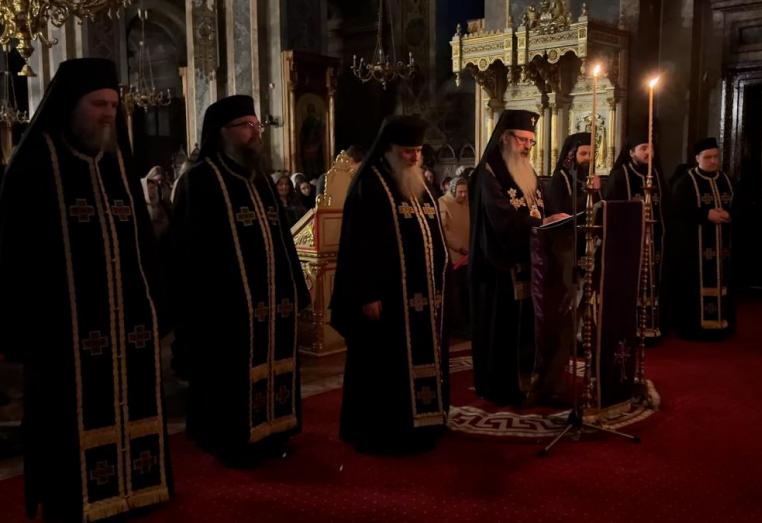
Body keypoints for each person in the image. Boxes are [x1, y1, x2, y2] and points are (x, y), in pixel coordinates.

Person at [0, 58, 171, 521]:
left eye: (114, 104)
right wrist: (21, 333)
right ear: (70, 104)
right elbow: (13, 258)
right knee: (68, 427)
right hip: (61, 336)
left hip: (128, 330)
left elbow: (143, 244)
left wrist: (157, 307)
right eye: (98, 104)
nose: (109, 113)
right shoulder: (33, 165)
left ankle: (135, 488)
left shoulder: (117, 161)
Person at [170, 95, 310, 464]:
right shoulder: (200, 181)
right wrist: (196, 308)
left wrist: (297, 291)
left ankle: (275, 429)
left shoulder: (260, 179)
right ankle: (230, 438)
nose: (255, 132)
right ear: (223, 133)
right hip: (225, 308)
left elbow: (282, 240)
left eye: (256, 124)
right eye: (246, 126)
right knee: (230, 376)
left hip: (272, 302)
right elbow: (186, 252)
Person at [331, 115, 449, 453]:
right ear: (389, 149)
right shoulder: (369, 184)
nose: (414, 157)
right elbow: (356, 245)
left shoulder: (419, 184)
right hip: (388, 298)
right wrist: (366, 293)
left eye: (418, 150)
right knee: (386, 365)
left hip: (424, 296)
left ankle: (426, 422)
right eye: (407, 151)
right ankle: (388, 430)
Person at [469, 109, 569, 406]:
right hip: (500, 269)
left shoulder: (527, 172)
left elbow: (543, 206)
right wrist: (541, 224)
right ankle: (504, 387)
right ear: (505, 138)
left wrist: (556, 219)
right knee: (505, 332)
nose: (527, 147)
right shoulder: (488, 173)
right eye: (523, 140)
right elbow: (499, 220)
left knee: (529, 328)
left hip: (531, 263)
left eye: (531, 141)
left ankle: (534, 381)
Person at [668, 137, 735, 339]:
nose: (713, 161)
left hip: (722, 246)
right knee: (694, 286)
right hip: (694, 248)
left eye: (716, 157)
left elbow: (739, 204)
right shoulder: (686, 181)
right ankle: (695, 328)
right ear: (697, 158)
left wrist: (729, 214)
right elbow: (677, 210)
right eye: (708, 157)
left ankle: (722, 324)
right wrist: (706, 215)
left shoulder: (726, 180)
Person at [604, 132, 667, 341]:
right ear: (631, 152)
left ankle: (652, 326)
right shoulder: (619, 176)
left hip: (655, 241)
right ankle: (630, 329)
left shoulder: (656, 174)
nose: (649, 153)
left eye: (651, 148)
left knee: (653, 281)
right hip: (629, 243)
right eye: (643, 148)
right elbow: (611, 212)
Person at [439, 173, 471, 338]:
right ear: (452, 191)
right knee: (455, 294)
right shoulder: (443, 203)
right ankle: (456, 327)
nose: (463, 195)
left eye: (465, 192)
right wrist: (459, 247)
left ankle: (466, 324)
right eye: (460, 192)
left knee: (466, 293)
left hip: (469, 256)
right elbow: (444, 230)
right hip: (454, 256)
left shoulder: (467, 203)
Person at [544, 132, 599, 215]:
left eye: (591, 154)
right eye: (583, 154)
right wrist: (592, 192)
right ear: (572, 155)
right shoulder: (560, 177)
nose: (588, 158)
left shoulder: (590, 177)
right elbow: (565, 211)